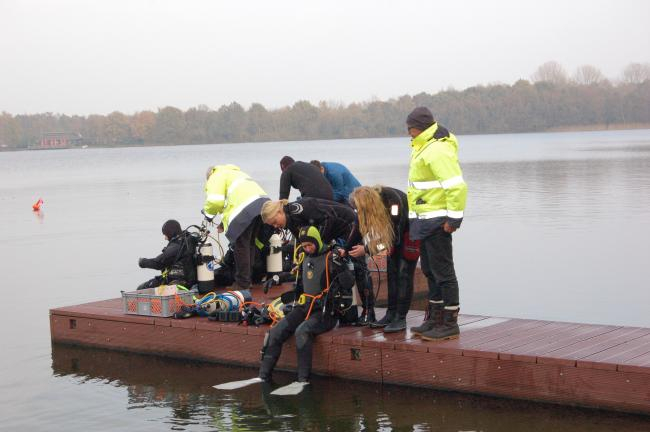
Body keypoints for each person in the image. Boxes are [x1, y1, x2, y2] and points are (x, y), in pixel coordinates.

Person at [259, 226, 355, 383]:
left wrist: (341, 266)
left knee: (302, 332)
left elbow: (349, 282)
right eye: (304, 246)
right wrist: (276, 279)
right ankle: (263, 376)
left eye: (310, 245)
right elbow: (293, 273)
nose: (308, 249)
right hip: (305, 306)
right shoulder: (304, 257)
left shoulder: (331, 257)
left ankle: (303, 380)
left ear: (317, 240)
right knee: (276, 332)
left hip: (325, 311)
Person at [261, 198, 376, 324]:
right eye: (272, 225)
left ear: (279, 212)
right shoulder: (290, 222)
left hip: (348, 223)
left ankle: (368, 312)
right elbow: (303, 242)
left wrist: (320, 244)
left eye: (274, 222)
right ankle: (334, 309)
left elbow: (328, 218)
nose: (275, 226)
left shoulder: (298, 209)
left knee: (359, 267)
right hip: (334, 232)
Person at [405, 107, 467, 341]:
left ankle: (450, 322)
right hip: (423, 219)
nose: (408, 133)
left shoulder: (437, 149)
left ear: (418, 127)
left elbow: (456, 186)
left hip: (438, 220)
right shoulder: (422, 146)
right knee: (430, 271)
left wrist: (454, 219)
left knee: (443, 272)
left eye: (409, 128)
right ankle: (434, 318)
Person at [349, 186, 418, 332]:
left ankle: (400, 318)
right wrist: (346, 249)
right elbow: (358, 228)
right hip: (394, 234)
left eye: (360, 210)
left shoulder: (393, 203)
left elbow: (393, 239)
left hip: (409, 231)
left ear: (367, 203)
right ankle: (390, 314)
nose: (360, 213)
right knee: (392, 274)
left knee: (403, 274)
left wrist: (366, 249)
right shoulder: (364, 206)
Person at [203, 164, 270, 290]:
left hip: (247, 207)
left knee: (241, 246)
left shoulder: (216, 176)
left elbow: (215, 201)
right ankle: (248, 279)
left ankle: (242, 283)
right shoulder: (234, 173)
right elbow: (232, 202)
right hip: (262, 204)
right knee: (249, 244)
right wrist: (224, 223)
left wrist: (208, 215)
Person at [137, 219, 197, 290]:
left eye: (165, 235)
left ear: (170, 233)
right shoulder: (187, 240)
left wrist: (142, 262)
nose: (165, 238)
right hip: (189, 280)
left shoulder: (177, 246)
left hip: (178, 281)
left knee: (141, 288)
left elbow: (158, 263)